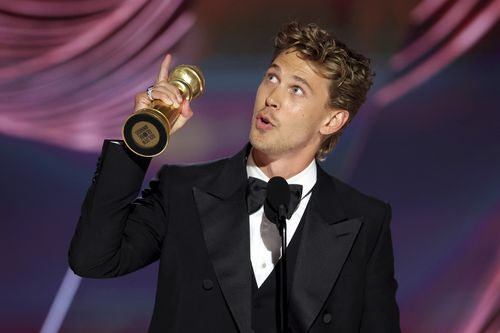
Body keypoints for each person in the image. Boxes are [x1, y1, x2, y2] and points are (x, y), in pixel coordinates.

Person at [69, 21, 400, 333]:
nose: (272, 97)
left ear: (332, 121)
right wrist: (140, 140)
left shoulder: (364, 221)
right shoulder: (184, 190)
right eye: (272, 77)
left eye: (297, 90)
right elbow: (93, 260)